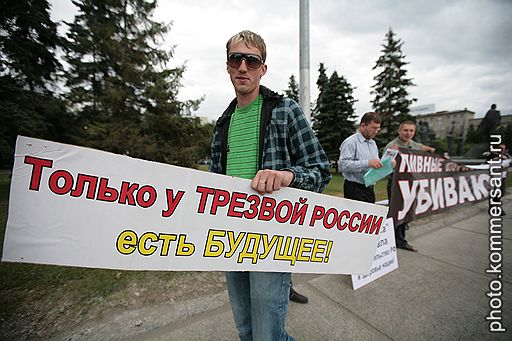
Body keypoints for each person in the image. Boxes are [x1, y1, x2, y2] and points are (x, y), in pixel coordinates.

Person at [209, 30, 331, 341]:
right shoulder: (222, 123)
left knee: (267, 334)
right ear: (227, 65)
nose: (243, 67)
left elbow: (320, 169)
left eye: (252, 60)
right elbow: (212, 182)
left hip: (271, 237)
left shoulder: (285, 110)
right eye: (236, 59)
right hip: (228, 236)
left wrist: (288, 176)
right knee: (245, 328)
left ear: (263, 68)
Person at [385, 121, 435, 251]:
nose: (408, 133)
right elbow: (385, 167)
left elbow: (421, 147)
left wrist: (429, 149)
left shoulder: (412, 144)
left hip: (408, 184)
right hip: (395, 184)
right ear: (399, 131)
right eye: (405, 130)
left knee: (405, 212)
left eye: (411, 131)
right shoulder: (392, 146)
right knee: (395, 212)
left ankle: (400, 240)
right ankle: (390, 241)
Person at [338, 112, 383, 203]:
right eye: (373, 128)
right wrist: (367, 163)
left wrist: (386, 164)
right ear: (363, 125)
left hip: (370, 188)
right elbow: (343, 165)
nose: (376, 132)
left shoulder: (373, 144)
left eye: (378, 129)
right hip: (354, 188)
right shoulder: (350, 142)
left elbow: (374, 164)